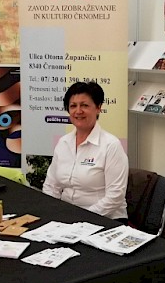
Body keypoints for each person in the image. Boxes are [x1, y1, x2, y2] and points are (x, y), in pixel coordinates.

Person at [42, 81, 129, 221]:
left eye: (84, 105)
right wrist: (52, 212)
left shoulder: (111, 146)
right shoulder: (63, 143)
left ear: (98, 108)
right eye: (73, 106)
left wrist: (82, 218)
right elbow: (51, 186)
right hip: (67, 216)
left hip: (104, 218)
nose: (78, 111)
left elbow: (115, 197)